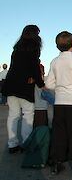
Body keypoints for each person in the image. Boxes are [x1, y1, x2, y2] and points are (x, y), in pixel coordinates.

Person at [45, 31, 72, 176]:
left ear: (57, 46)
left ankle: (57, 163)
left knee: (59, 133)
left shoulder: (54, 62)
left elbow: (49, 84)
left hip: (59, 102)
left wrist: (60, 88)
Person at [1, 25, 45, 154]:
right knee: (28, 114)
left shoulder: (17, 47)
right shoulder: (34, 47)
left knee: (13, 115)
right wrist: (40, 83)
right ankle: (26, 143)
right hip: (25, 85)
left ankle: (12, 145)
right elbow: (34, 66)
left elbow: (15, 67)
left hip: (11, 84)